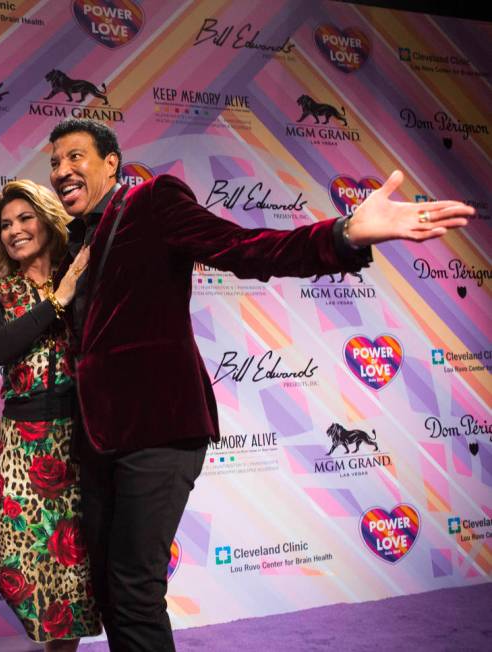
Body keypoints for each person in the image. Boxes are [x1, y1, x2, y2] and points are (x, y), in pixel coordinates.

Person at [46, 118, 475, 651]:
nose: (62, 170)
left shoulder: (153, 202)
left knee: (134, 589)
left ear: (111, 162)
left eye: (75, 157)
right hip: (98, 437)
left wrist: (344, 234)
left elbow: (246, 247)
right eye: (55, 163)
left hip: (159, 427)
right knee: (112, 593)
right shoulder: (70, 245)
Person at [0, 179, 98, 651]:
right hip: (24, 444)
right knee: (29, 563)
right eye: (5, 225)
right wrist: (57, 299)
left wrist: (71, 288)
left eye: (24, 218)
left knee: (75, 560)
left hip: (83, 437)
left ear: (47, 219)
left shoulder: (84, 277)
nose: (15, 230)